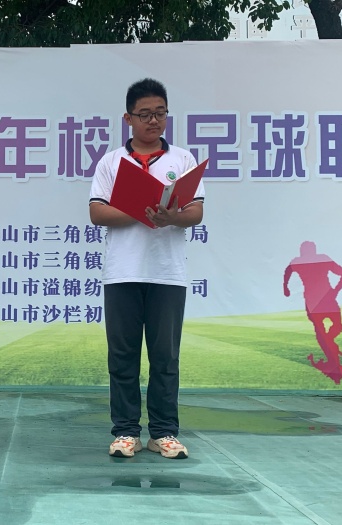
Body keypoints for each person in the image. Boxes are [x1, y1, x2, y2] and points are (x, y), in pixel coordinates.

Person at [88, 78, 205, 459]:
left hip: (167, 273)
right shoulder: (112, 161)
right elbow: (97, 212)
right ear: (128, 118)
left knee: (165, 357)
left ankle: (163, 432)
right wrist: (142, 211)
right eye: (145, 115)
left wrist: (171, 217)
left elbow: (196, 212)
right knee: (122, 356)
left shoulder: (182, 160)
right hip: (122, 272)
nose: (153, 121)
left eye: (160, 113)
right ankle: (125, 432)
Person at [283, 240, 342, 384]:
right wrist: (285, 287)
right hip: (316, 301)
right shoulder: (301, 261)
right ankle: (333, 361)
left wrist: (336, 290)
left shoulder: (318, 259)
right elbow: (287, 271)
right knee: (323, 331)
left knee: (334, 328)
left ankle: (330, 348)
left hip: (324, 300)